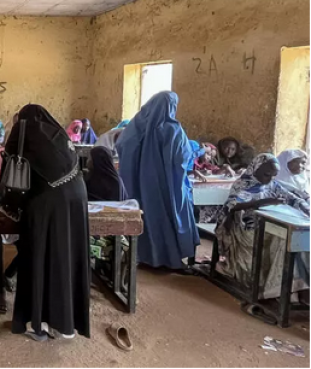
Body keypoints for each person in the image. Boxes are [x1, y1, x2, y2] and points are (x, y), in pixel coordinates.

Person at [3, 104, 90, 341]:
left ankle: (38, 323)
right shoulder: (57, 135)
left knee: (39, 257)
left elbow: (9, 176)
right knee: (66, 257)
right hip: (77, 200)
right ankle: (66, 322)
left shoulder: (23, 132)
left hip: (48, 205)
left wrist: (10, 206)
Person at [214, 154, 309, 311]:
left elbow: (293, 199)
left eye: (273, 176)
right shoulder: (243, 184)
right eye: (266, 174)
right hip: (245, 229)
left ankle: (297, 288)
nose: (269, 179)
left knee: (297, 240)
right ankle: (279, 289)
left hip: (267, 224)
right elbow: (232, 206)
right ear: (256, 169)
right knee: (283, 240)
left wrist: (306, 209)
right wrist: (263, 202)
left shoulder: (272, 184)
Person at [116, 91, 198, 270]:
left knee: (143, 215)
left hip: (138, 183)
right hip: (167, 184)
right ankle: (168, 259)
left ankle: (142, 256)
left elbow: (121, 145)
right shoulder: (172, 130)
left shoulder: (135, 127)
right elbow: (182, 158)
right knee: (167, 217)